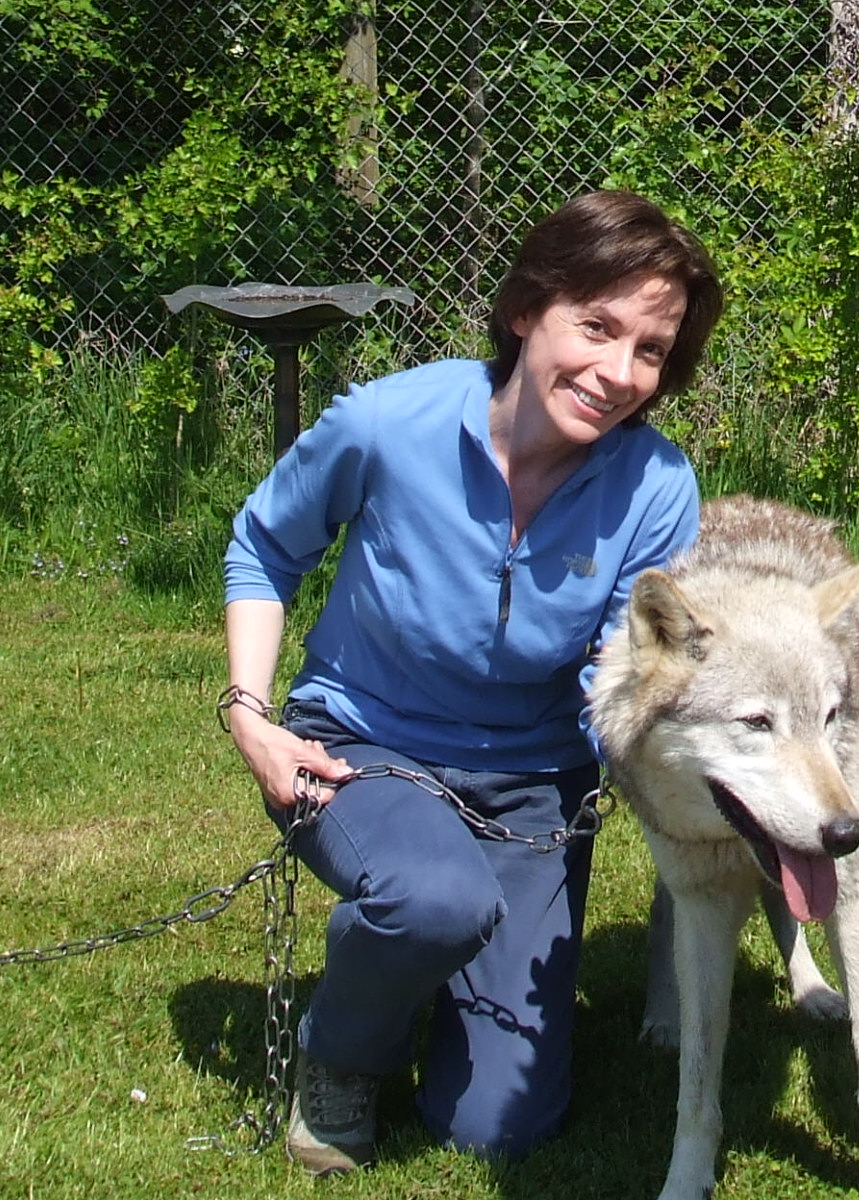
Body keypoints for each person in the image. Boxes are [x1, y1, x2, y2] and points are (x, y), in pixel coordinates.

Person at [220, 190, 723, 1175]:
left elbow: (619, 672)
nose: (618, 373)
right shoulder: (386, 423)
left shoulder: (657, 489)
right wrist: (250, 714)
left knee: (499, 1127)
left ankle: (419, 959)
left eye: (651, 351)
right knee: (434, 899)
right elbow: (261, 548)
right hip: (363, 746)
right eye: (598, 327)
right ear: (527, 308)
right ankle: (343, 1050)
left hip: (532, 788)